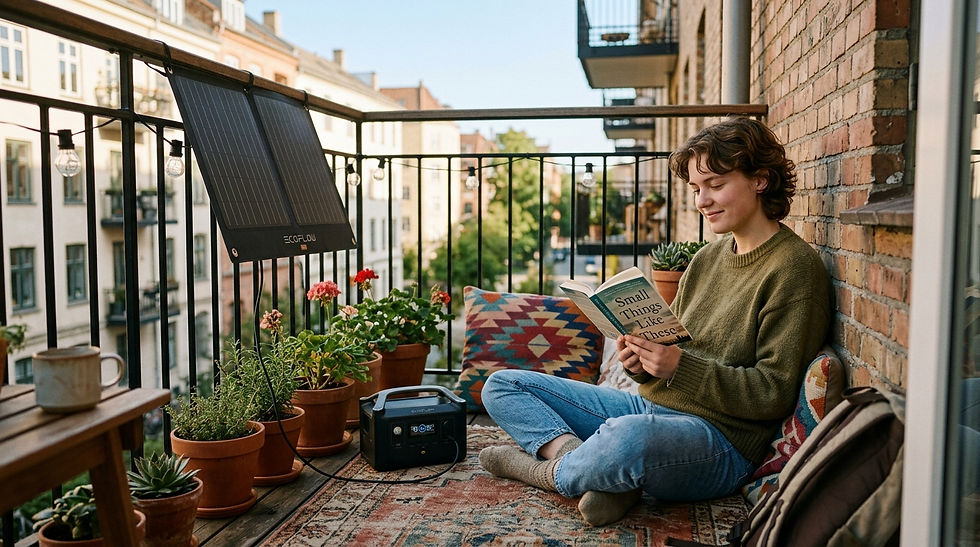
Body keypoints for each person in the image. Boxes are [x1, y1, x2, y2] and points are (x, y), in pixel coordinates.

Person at [478, 117, 832, 526]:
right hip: (655, 408)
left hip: (723, 442)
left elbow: (774, 392)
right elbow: (671, 355)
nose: (702, 201)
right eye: (697, 189)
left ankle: (544, 471)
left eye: (716, 185)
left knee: (629, 437)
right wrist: (639, 362)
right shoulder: (706, 259)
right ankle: (604, 474)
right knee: (504, 385)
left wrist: (680, 367)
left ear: (761, 180)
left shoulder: (794, 269)